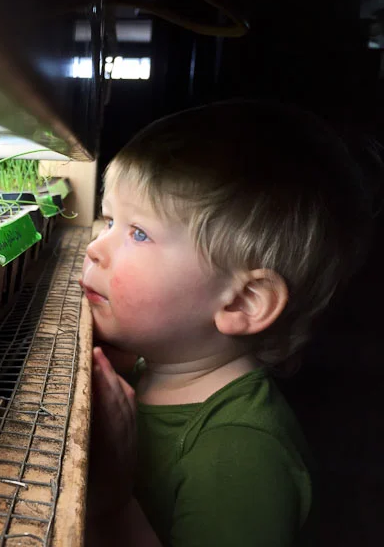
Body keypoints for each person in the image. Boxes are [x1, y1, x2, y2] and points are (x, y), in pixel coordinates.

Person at [81, 101, 373, 547]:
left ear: (243, 301)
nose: (95, 248)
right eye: (107, 220)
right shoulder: (155, 367)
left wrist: (113, 505)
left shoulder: (242, 454)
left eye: (138, 232)